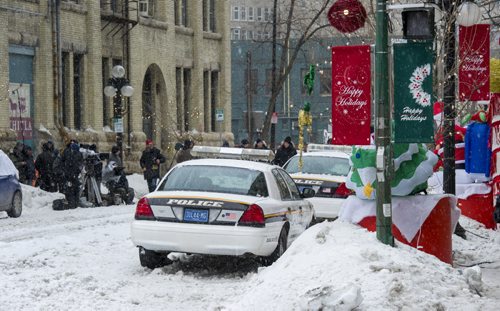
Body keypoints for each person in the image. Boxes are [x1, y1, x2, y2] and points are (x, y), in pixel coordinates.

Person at [60, 140, 84, 209]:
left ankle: (76, 203)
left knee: (76, 188)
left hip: (75, 174)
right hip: (67, 173)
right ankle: (71, 203)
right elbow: (62, 161)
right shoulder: (66, 152)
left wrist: (79, 169)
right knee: (69, 189)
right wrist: (64, 170)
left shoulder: (79, 154)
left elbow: (81, 163)